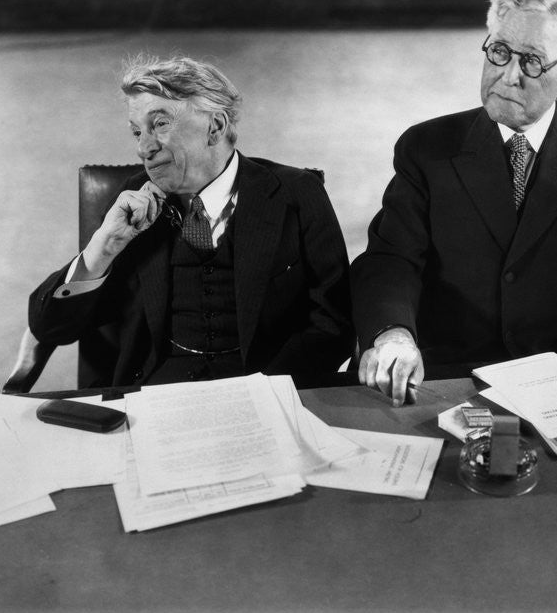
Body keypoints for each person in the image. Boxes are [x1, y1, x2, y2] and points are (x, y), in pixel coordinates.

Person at [352, 0, 557, 406]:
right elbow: (390, 260)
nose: (508, 76)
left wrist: (552, 376)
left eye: (532, 61)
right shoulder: (426, 148)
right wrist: (393, 334)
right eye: (499, 51)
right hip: (440, 377)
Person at [29, 56, 352, 386]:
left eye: (160, 124)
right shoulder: (131, 200)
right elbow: (50, 328)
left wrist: (272, 391)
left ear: (215, 127)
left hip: (267, 392)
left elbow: (334, 321)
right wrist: (103, 248)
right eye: (137, 131)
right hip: (153, 397)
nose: (144, 148)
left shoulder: (294, 193)